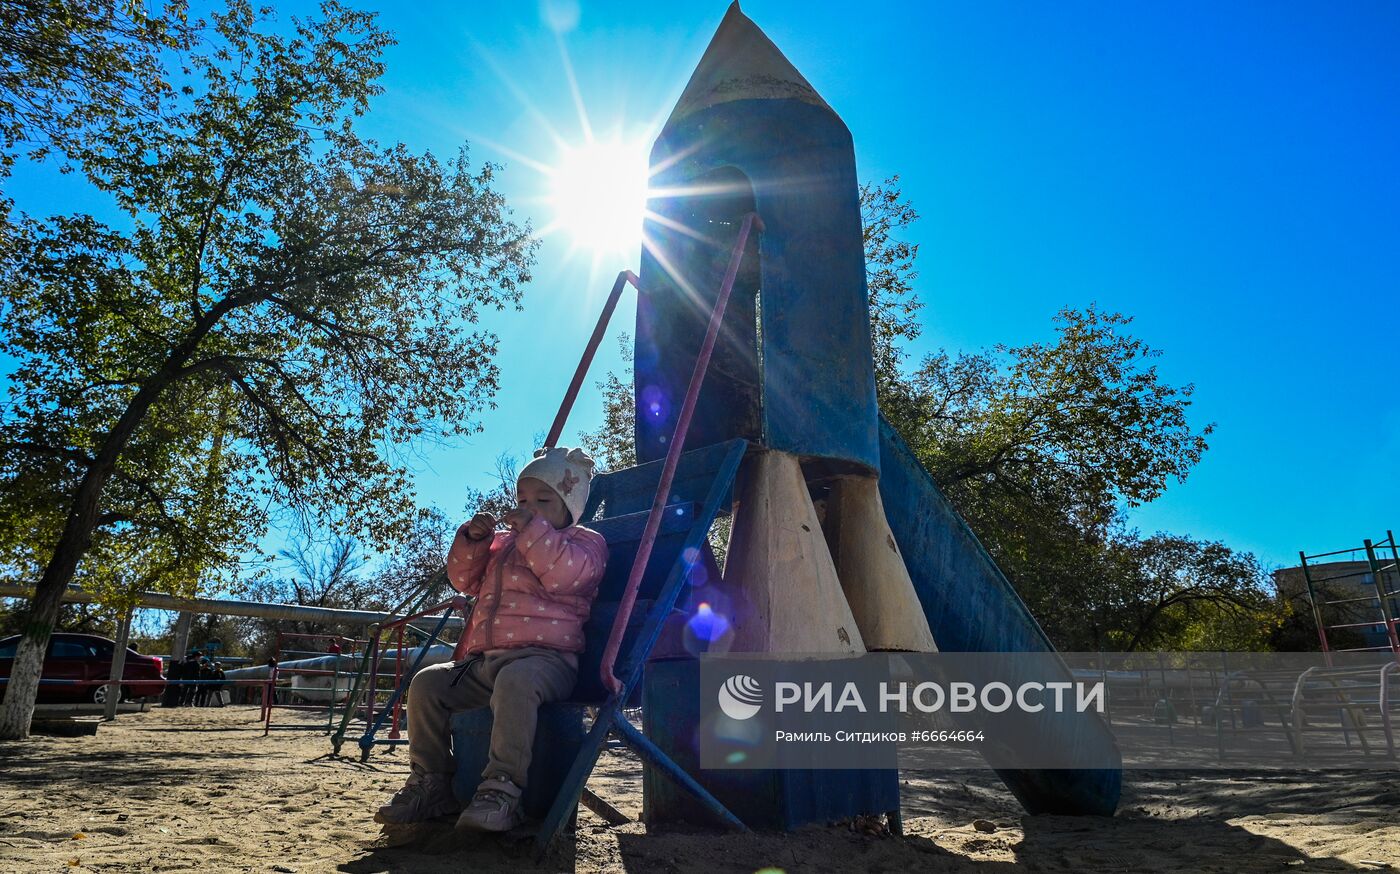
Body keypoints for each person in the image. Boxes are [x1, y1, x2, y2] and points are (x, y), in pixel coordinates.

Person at [375, 447, 606, 832]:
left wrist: (533, 532)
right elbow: (464, 580)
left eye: (543, 500)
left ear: (570, 507)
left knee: (516, 683)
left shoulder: (585, 544)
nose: (529, 508)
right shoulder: (504, 545)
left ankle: (502, 789)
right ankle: (432, 781)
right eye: (523, 500)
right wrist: (474, 541)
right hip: (485, 662)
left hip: (546, 661)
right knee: (428, 684)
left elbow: (564, 576)